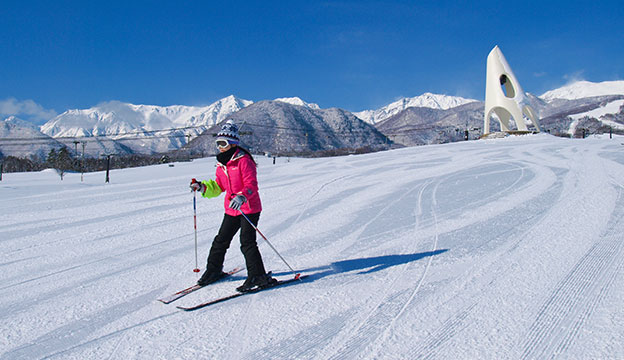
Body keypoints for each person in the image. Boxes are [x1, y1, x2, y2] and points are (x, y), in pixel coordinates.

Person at [190, 119, 277, 292]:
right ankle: (213, 271)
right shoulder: (221, 164)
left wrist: (242, 197)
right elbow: (219, 186)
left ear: (232, 143)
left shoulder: (244, 161)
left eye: (223, 143)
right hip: (231, 209)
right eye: (217, 143)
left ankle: (258, 276)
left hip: (249, 208)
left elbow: (251, 185)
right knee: (220, 240)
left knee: (247, 242)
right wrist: (202, 187)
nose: (220, 147)